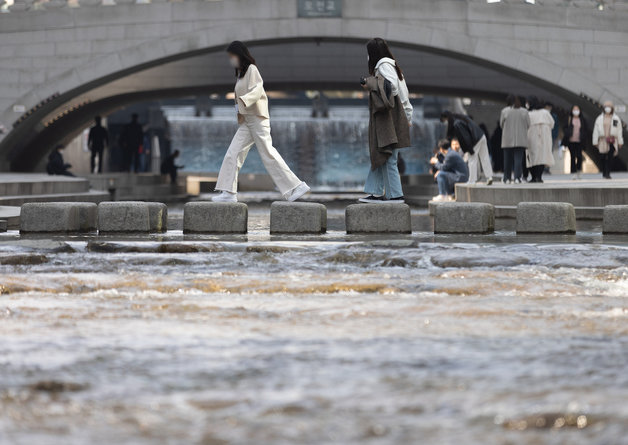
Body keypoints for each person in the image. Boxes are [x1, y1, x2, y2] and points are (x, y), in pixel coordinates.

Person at [213, 41, 310, 203]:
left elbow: (258, 89)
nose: (231, 60)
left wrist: (244, 101)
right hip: (247, 121)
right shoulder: (241, 73)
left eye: (232, 56)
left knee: (268, 154)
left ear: (239, 55)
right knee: (233, 153)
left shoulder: (252, 69)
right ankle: (229, 192)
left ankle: (296, 186)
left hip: (257, 118)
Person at [359, 37, 412, 204]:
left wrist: (371, 82)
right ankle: (376, 193)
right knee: (383, 154)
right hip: (397, 115)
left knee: (388, 157)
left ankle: (395, 195)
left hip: (391, 117)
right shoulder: (392, 65)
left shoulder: (383, 65)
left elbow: (392, 88)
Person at [440, 111, 493, 185]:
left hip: (474, 140)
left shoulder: (456, 123)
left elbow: (465, 137)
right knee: (484, 157)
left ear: (447, 118)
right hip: (481, 136)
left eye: (445, 121)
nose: (446, 123)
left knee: (472, 159)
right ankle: (489, 176)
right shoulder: (460, 117)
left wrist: (470, 149)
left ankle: (472, 180)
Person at [500, 94, 529, 184]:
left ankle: (507, 178)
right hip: (520, 139)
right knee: (518, 160)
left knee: (507, 160)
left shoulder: (505, 111)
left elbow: (501, 124)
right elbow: (528, 124)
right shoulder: (524, 111)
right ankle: (517, 178)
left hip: (507, 139)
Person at [526, 96, 555, 183]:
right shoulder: (545, 113)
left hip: (531, 137)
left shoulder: (529, 114)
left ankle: (534, 177)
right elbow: (552, 124)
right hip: (544, 138)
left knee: (532, 157)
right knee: (542, 157)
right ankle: (539, 177)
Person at [592, 101, 624, 179]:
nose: (607, 108)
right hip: (603, 140)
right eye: (606, 107)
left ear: (612, 108)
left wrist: (620, 142)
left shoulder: (616, 119)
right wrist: (595, 141)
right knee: (603, 156)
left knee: (610, 157)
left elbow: (619, 130)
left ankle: (608, 173)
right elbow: (595, 130)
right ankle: (604, 171)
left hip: (612, 140)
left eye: (609, 107)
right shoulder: (599, 119)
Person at [562, 105, 589, 180]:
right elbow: (564, 127)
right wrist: (568, 132)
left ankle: (579, 170)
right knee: (573, 156)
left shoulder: (582, 120)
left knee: (579, 156)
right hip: (571, 141)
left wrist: (583, 135)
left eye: (577, 109)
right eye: (574, 109)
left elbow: (585, 129)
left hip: (580, 140)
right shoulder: (569, 119)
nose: (576, 111)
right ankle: (573, 172)